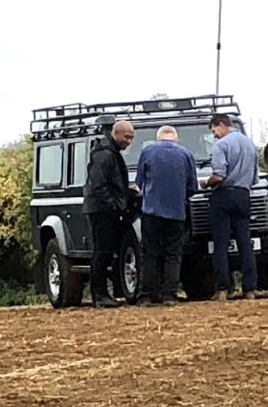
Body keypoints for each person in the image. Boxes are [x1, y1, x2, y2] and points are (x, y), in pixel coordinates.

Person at [134, 126, 198, 306]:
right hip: (177, 213)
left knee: (149, 253)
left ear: (158, 138)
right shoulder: (186, 154)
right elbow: (192, 187)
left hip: (151, 212)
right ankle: (170, 294)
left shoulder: (147, 152)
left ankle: (146, 295)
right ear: (176, 139)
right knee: (173, 254)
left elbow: (139, 183)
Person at [200, 114, 259, 301]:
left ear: (221, 125)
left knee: (221, 243)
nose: (214, 135)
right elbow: (255, 179)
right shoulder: (250, 145)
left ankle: (223, 288)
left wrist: (206, 183)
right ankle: (250, 288)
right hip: (243, 195)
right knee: (245, 242)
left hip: (223, 196)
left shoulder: (221, 145)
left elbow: (219, 176)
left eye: (214, 130)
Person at [83, 120, 137, 308]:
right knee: (102, 252)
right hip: (102, 211)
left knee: (106, 252)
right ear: (116, 133)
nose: (129, 141)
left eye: (131, 138)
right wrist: (114, 205)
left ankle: (104, 293)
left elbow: (110, 182)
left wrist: (126, 191)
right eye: (126, 137)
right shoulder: (105, 154)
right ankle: (99, 295)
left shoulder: (110, 152)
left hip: (104, 208)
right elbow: (98, 185)